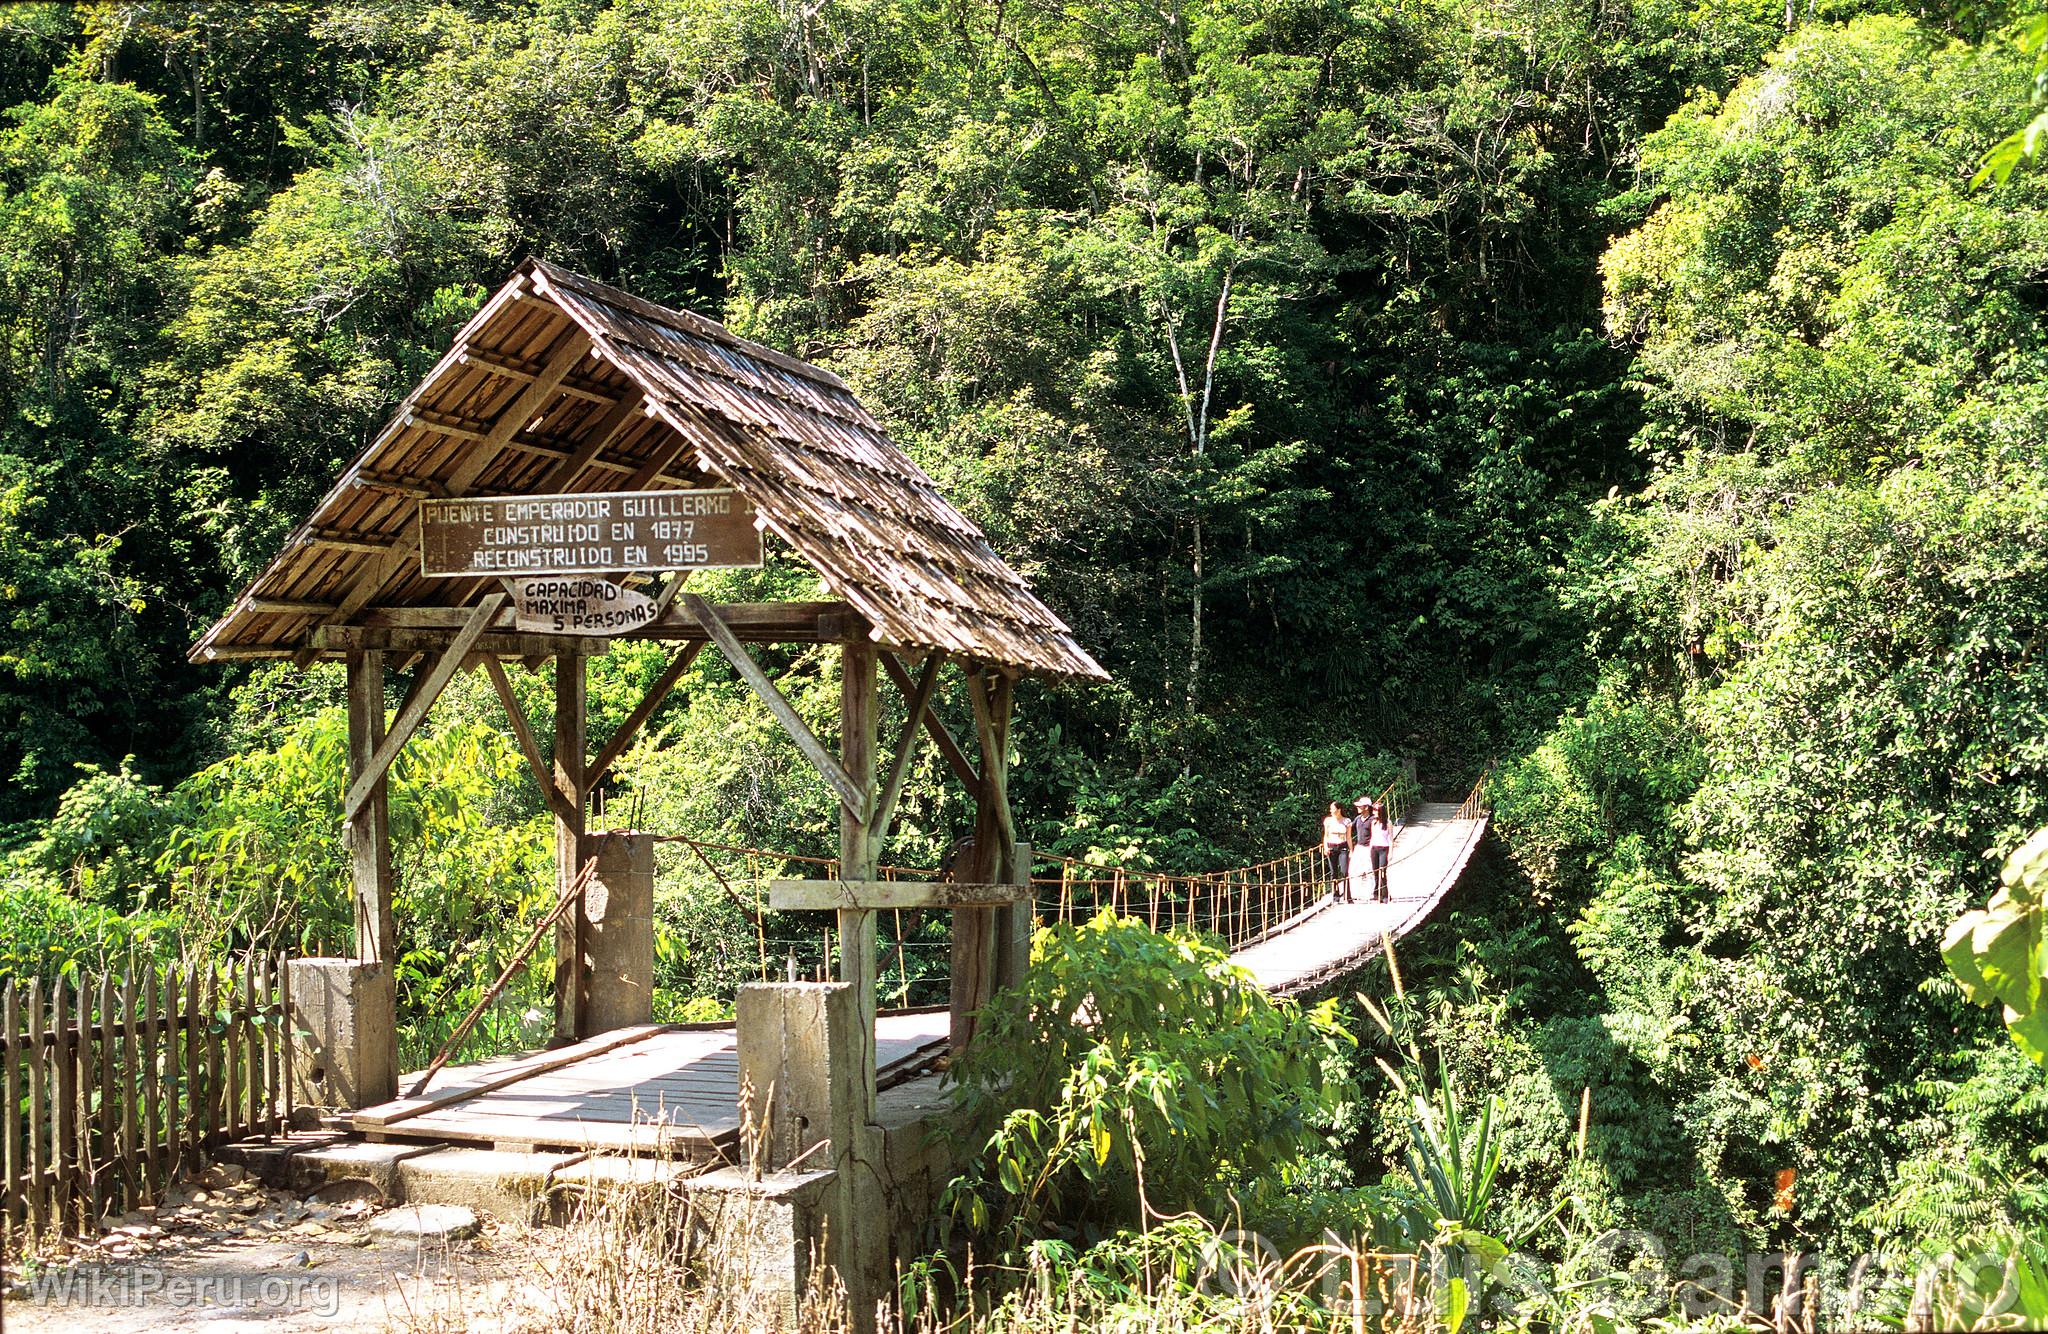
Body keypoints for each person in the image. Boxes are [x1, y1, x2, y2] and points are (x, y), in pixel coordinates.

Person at [1348, 796, 1374, 904]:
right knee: (1354, 870)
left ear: (1366, 807)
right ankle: (1356, 893)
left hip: (1369, 848)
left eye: (1360, 806)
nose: (1358, 807)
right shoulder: (1358, 819)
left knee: (1369, 870)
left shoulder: (1373, 819)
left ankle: (1370, 893)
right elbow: (1349, 827)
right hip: (1359, 847)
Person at [1321, 801, 1350, 898]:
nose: (1331, 811)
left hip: (1343, 847)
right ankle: (1335, 894)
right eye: (1331, 809)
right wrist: (1325, 847)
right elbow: (1325, 836)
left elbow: (1349, 837)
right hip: (1331, 846)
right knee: (1333, 872)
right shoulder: (1328, 821)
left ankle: (1347, 894)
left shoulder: (1347, 821)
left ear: (1339, 809)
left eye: (1333, 809)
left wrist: (1352, 850)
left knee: (1344, 871)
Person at [1369, 799, 1394, 902]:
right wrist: (1369, 849)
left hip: (1384, 848)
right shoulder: (1373, 822)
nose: (1374, 812)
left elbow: (1391, 839)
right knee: (1375, 872)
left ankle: (1385, 894)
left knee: (1382, 871)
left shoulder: (1388, 823)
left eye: (1375, 810)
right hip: (1374, 848)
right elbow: (1372, 837)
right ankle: (1377, 893)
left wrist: (1391, 852)